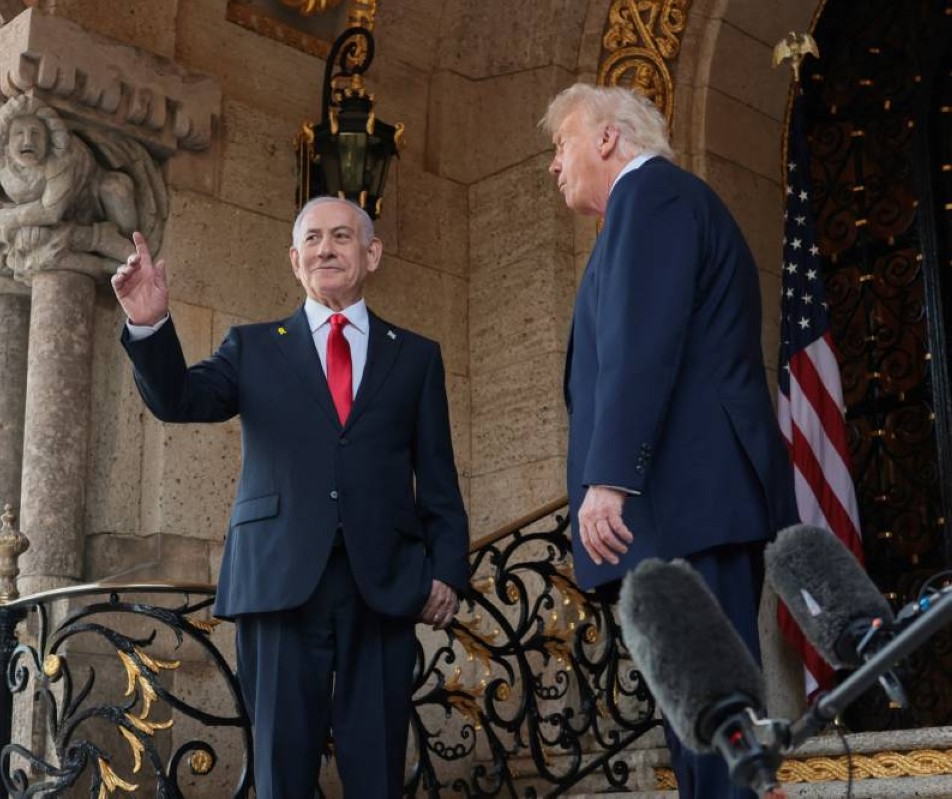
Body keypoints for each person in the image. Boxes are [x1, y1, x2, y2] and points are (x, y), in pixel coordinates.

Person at [111, 196, 469, 799]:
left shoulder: (416, 356)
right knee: (281, 769)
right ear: (295, 260)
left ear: (372, 253)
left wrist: (448, 570)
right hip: (277, 582)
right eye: (312, 239)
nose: (325, 249)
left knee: (378, 768)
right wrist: (150, 325)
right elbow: (179, 400)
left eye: (341, 237)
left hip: (382, 583)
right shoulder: (253, 347)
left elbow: (438, 475)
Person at [542, 83, 798, 799]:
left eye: (562, 144)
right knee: (699, 730)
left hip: (686, 502)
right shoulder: (649, 207)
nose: (554, 164)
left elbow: (641, 342)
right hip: (685, 508)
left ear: (606, 138)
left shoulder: (650, 196)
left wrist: (610, 477)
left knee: (715, 726)